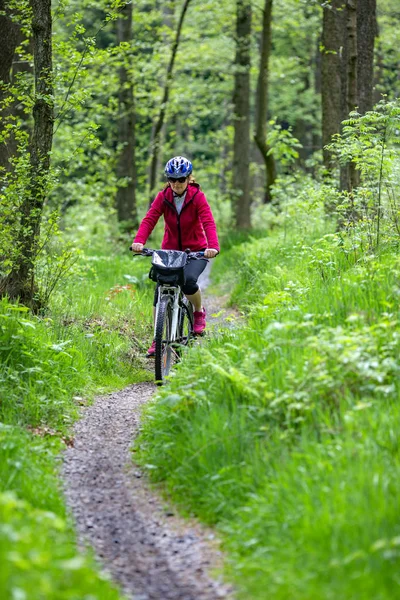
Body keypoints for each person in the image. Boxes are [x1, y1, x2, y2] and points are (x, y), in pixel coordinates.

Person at [131, 156, 219, 356]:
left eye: (181, 180)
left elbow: (208, 221)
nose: (177, 184)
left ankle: (198, 312)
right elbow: (150, 218)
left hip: (196, 251)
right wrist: (139, 241)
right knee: (160, 289)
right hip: (170, 252)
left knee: (188, 281)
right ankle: (157, 338)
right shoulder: (163, 197)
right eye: (173, 180)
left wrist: (212, 246)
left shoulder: (197, 197)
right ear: (168, 180)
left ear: (189, 179)